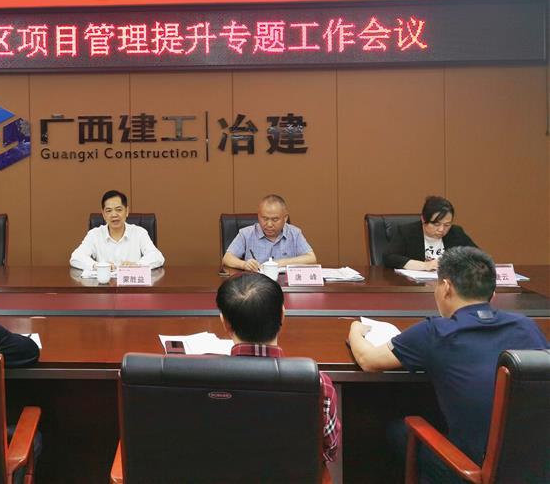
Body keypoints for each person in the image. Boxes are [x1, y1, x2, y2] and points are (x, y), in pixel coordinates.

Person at [348, 247, 548, 482]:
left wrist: (355, 329)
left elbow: (368, 360)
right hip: (538, 466)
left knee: (400, 430)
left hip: (477, 472)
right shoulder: (526, 326)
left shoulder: (436, 331)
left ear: (446, 287)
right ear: (493, 293)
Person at [217, 272, 341, 463]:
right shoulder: (317, 383)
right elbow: (330, 450)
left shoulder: (201, 379)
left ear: (225, 323)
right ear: (283, 315)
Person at [70, 190, 164, 270]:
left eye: (119, 210)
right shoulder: (94, 234)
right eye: (109, 211)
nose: (114, 215)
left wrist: (137, 265)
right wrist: (98, 266)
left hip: (131, 284)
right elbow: (76, 257)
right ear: (103, 214)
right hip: (104, 284)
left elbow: (157, 257)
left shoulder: (139, 233)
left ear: (127, 211)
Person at [222, 194, 316, 272]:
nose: (269, 224)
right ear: (258, 216)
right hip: (255, 283)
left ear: (285, 218)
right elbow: (227, 258)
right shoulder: (246, 233)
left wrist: (280, 263)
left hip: (285, 284)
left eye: (275, 219)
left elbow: (311, 259)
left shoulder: (294, 233)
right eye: (265, 218)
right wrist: (244, 264)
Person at [383, 195, 478, 271]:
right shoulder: (407, 232)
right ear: (423, 219)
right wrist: (425, 265)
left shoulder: (456, 233)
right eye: (436, 224)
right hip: (417, 286)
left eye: (447, 225)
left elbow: (478, 256)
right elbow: (389, 257)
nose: (441, 229)